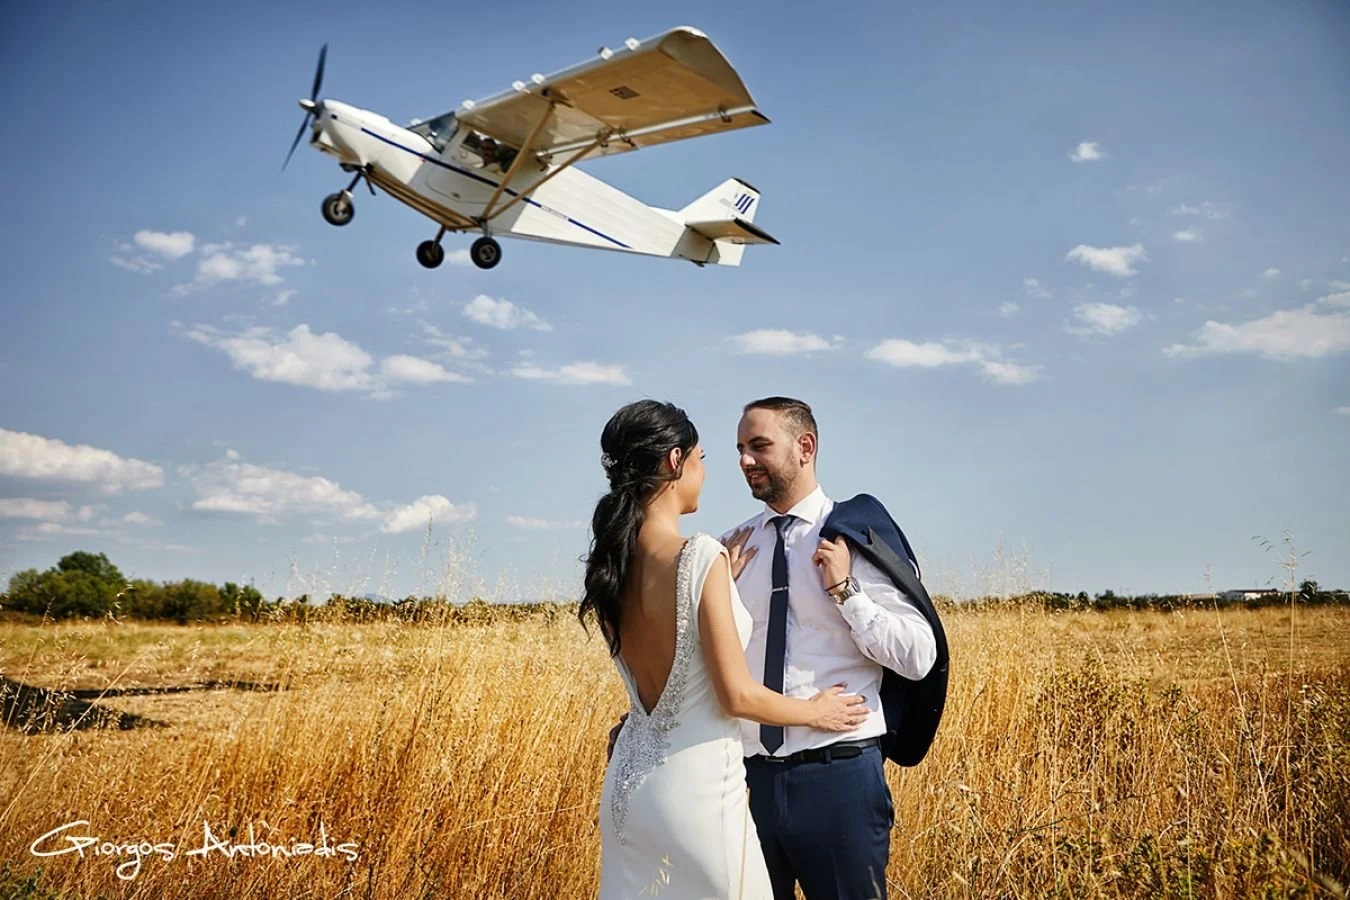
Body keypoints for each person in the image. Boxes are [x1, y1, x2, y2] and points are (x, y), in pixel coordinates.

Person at [586, 399, 869, 899]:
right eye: (702, 458)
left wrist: (719, 586)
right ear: (675, 462)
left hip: (629, 788)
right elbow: (735, 696)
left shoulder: (613, 567)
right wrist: (815, 712)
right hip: (696, 793)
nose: (707, 471)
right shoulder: (698, 556)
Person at [719, 396, 938, 899]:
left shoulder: (855, 537)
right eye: (739, 449)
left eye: (759, 446)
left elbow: (918, 655)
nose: (745, 461)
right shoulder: (731, 548)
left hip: (838, 777)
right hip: (747, 783)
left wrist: (846, 591)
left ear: (805, 447)